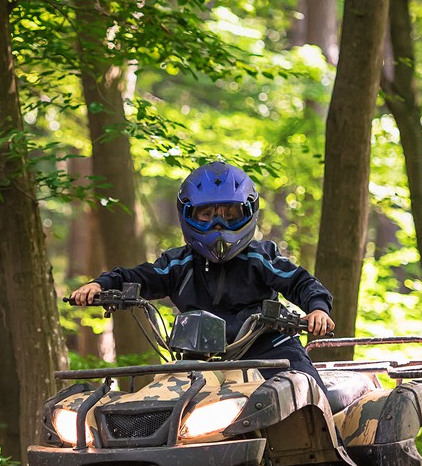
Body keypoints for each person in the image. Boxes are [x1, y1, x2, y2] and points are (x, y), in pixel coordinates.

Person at [68, 160, 334, 383]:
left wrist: (318, 309)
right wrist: (100, 285)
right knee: (157, 410)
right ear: (188, 215)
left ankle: (331, 446)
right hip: (198, 361)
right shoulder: (178, 264)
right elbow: (138, 276)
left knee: (304, 389)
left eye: (229, 214)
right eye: (207, 215)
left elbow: (300, 281)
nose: (219, 224)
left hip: (271, 351)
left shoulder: (260, 258)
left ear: (248, 213)